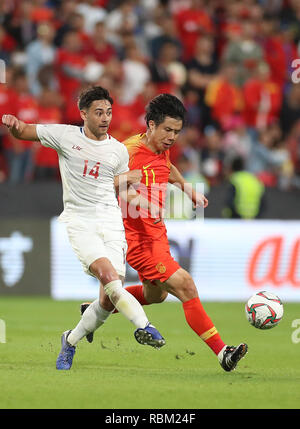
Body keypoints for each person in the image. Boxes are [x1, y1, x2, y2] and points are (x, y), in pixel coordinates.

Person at [1, 86, 165, 371]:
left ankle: (70, 340)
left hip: (111, 222)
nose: (105, 118)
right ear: (83, 114)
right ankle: (144, 326)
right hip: (80, 221)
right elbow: (26, 131)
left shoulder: (117, 150)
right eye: (99, 112)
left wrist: (143, 203)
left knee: (106, 299)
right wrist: (15, 126)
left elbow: (124, 192)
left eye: (109, 112)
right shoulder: (65, 135)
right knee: (108, 276)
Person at [82, 93, 248, 372]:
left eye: (177, 132)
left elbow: (165, 167)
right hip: (136, 237)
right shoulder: (128, 152)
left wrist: (186, 188)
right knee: (185, 285)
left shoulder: (160, 147)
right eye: (167, 130)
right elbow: (109, 182)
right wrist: (138, 200)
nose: (172, 137)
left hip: (156, 232)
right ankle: (223, 353)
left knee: (157, 294)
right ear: (150, 125)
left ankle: (98, 307)